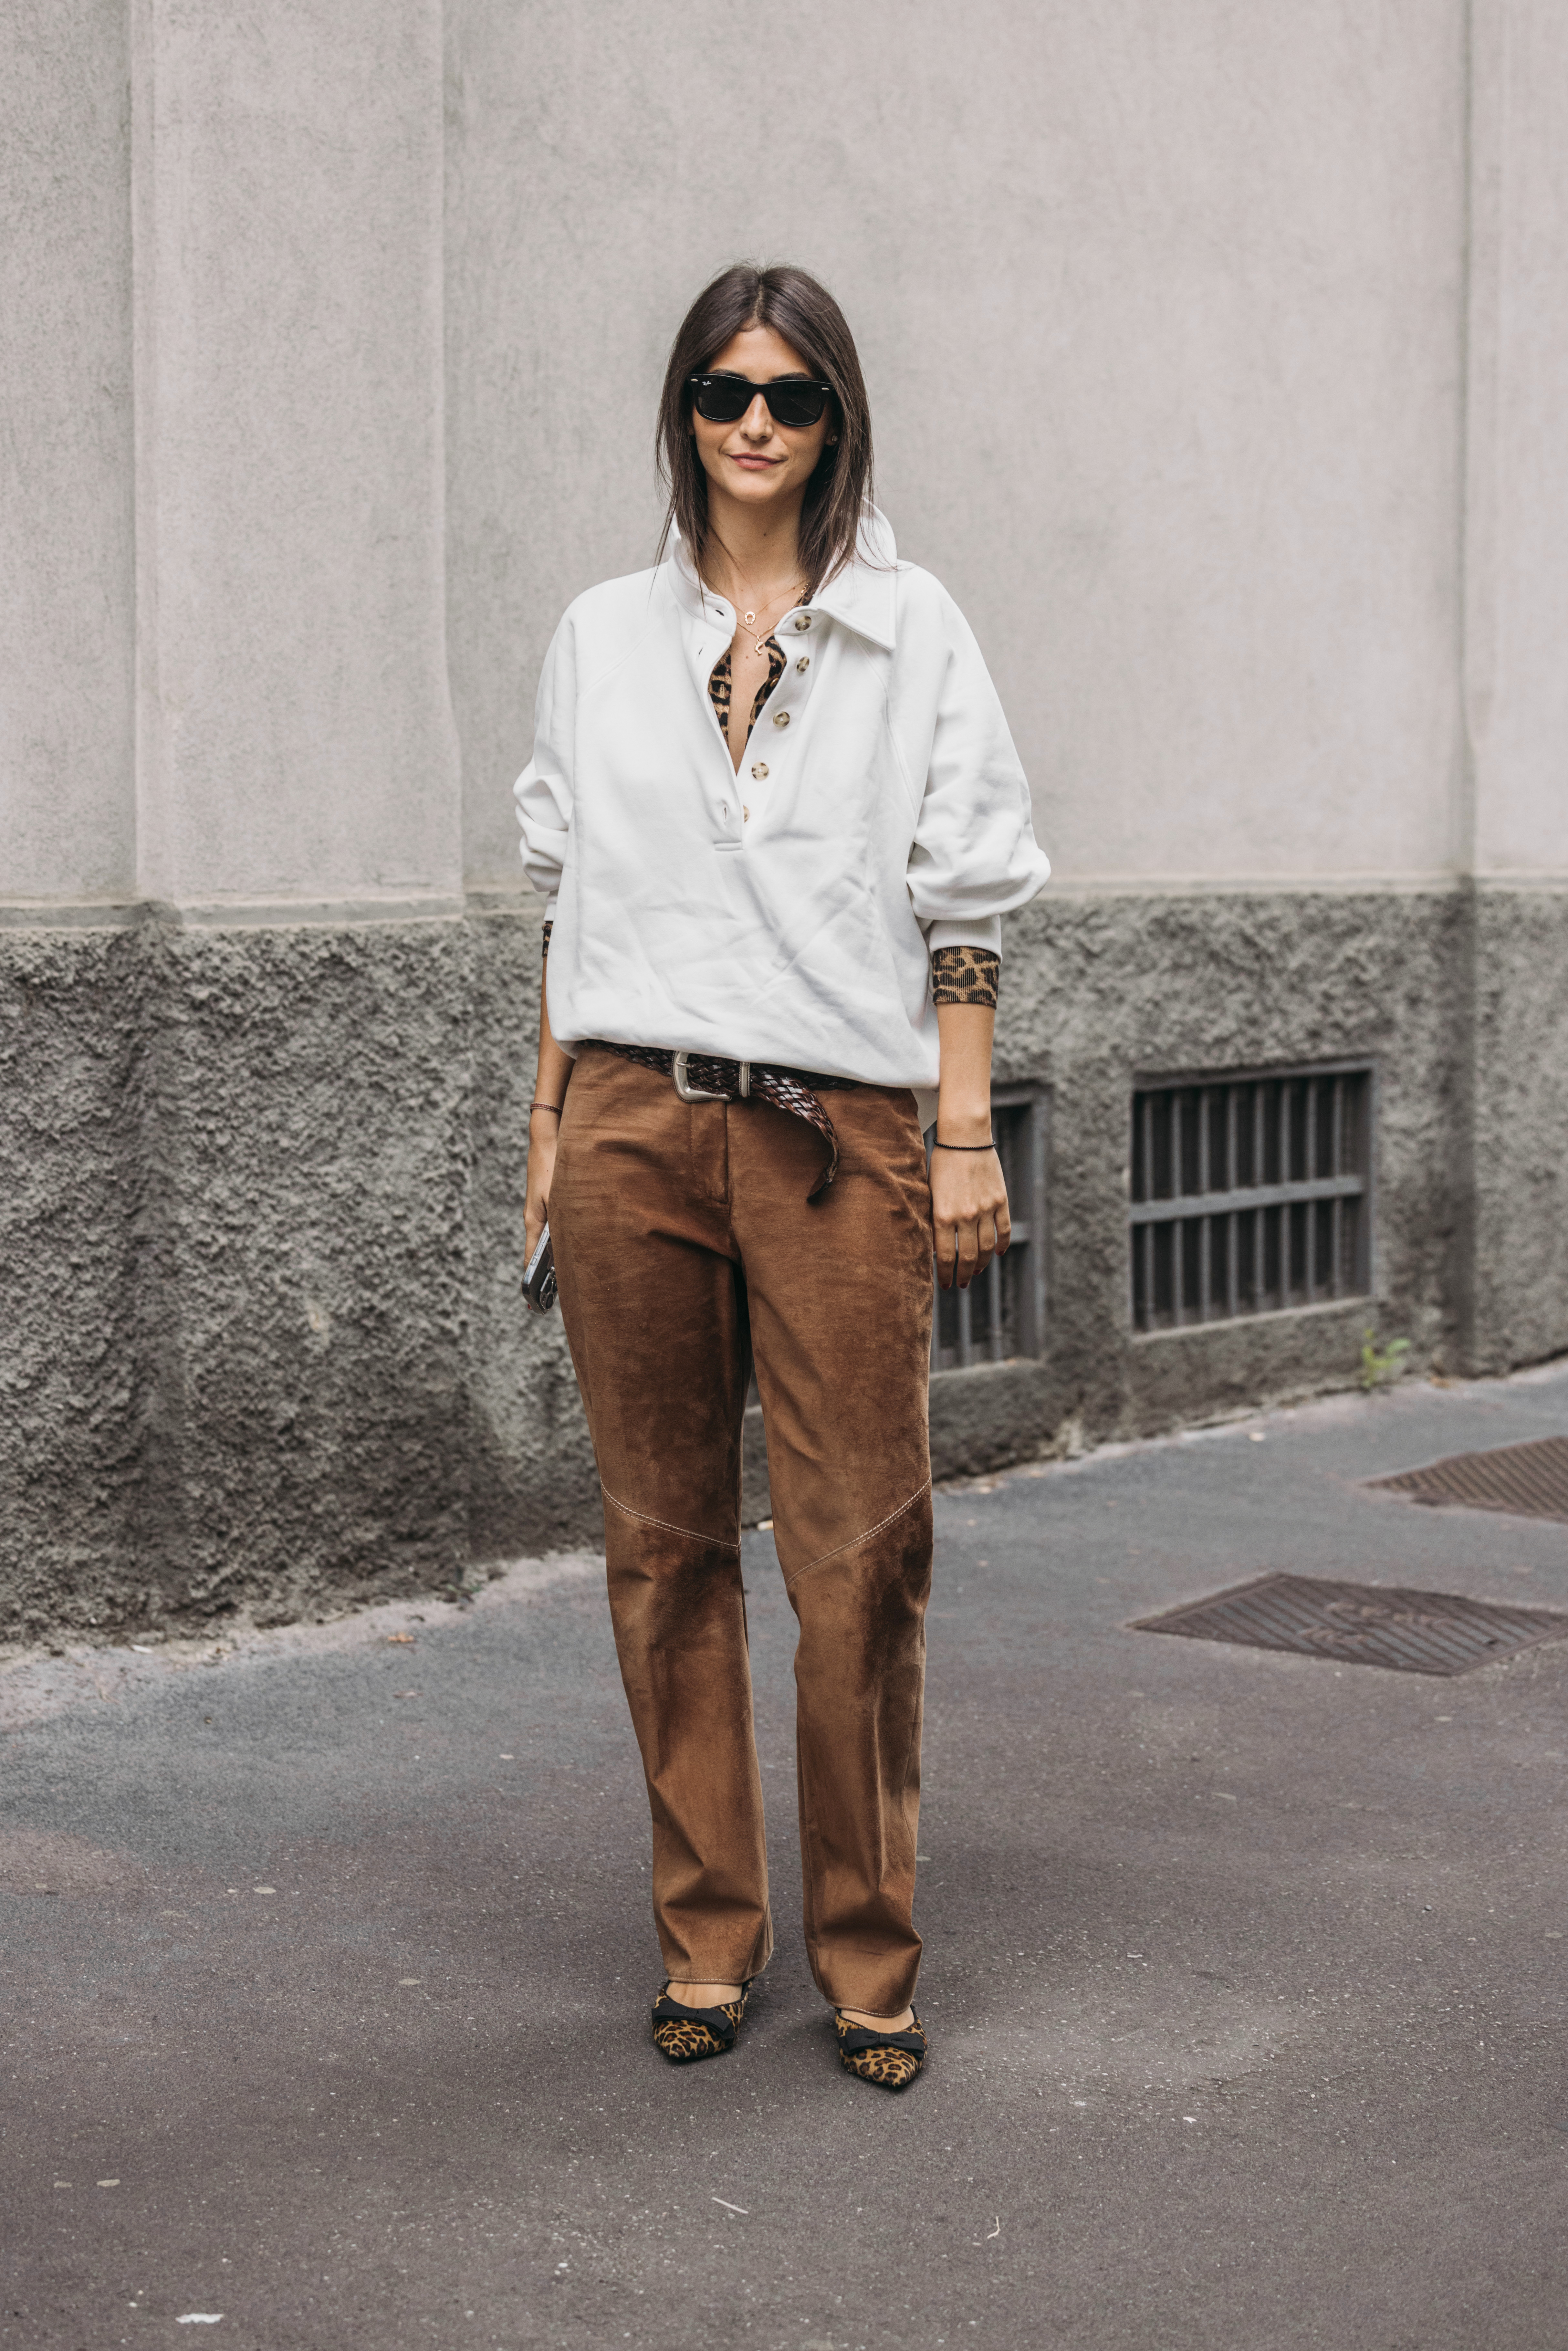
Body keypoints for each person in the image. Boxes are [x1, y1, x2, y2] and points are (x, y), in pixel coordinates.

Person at [514, 263, 1050, 2091]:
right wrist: (547, 1128)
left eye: (794, 393)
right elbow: (568, 894)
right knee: (662, 1555)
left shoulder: (914, 630)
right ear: (682, 410)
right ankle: (705, 1935)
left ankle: (867, 1952)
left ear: (837, 420)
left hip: (844, 1140)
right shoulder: (600, 635)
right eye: (725, 389)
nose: (756, 421)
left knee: (856, 1561)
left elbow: (963, 898)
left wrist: (962, 1131)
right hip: (629, 1128)